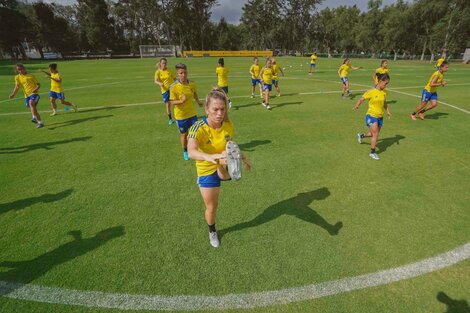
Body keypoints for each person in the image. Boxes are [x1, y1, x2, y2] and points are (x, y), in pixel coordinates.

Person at [187, 88, 251, 248]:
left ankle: (224, 167)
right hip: (206, 169)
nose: (219, 113)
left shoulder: (228, 126)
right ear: (207, 109)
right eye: (215, 109)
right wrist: (208, 157)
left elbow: (231, 146)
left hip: (222, 164)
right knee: (212, 206)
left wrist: (243, 157)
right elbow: (191, 151)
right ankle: (212, 231)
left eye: (222, 109)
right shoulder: (198, 127)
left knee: (224, 157)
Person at [353, 73, 392, 160]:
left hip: (380, 116)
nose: (386, 86)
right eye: (385, 83)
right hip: (371, 115)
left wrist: (388, 111)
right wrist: (357, 105)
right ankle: (372, 152)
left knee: (372, 134)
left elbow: (384, 103)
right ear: (380, 81)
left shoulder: (384, 92)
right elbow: (362, 98)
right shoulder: (371, 92)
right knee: (375, 134)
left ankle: (361, 136)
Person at [169, 62, 203, 160]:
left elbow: (194, 93)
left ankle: (196, 148)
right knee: (184, 134)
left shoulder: (192, 84)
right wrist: (181, 101)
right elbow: (171, 102)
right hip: (181, 116)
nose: (183, 75)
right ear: (177, 74)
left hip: (192, 114)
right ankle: (185, 151)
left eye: (185, 72)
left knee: (196, 132)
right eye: (181, 73)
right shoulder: (174, 86)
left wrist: (198, 101)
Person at [8, 63, 44, 128]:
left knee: (31, 103)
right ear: (17, 70)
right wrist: (13, 94)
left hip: (34, 94)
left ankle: (34, 118)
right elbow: (17, 87)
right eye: (18, 70)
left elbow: (38, 85)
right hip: (27, 96)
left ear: (24, 68)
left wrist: (36, 89)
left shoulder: (31, 75)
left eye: (21, 69)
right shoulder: (17, 77)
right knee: (34, 109)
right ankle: (40, 123)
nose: (20, 70)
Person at [154, 57, 175, 125]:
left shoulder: (169, 70)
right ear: (160, 63)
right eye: (163, 63)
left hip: (172, 89)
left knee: (175, 103)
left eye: (165, 63)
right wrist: (160, 83)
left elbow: (174, 78)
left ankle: (178, 117)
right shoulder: (158, 72)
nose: (164, 64)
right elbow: (155, 80)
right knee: (168, 105)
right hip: (165, 91)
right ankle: (170, 119)